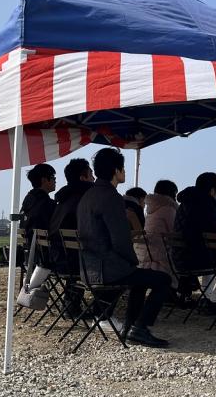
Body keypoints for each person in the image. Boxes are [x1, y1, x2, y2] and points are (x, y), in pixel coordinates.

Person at [77, 148, 171, 347]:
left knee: (139, 278)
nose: (124, 173)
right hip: (108, 269)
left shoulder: (88, 195)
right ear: (116, 170)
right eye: (123, 168)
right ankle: (140, 328)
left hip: (89, 268)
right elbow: (120, 240)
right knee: (163, 279)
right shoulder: (111, 197)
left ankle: (132, 327)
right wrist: (132, 261)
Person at [174, 172, 216, 317]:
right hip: (197, 260)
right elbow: (213, 235)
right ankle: (211, 300)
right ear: (213, 190)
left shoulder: (184, 203)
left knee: (211, 256)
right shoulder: (207, 204)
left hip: (180, 258)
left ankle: (208, 298)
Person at [47, 158, 94, 318]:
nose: (94, 178)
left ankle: (70, 306)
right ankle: (100, 311)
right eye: (91, 174)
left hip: (56, 258)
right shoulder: (85, 199)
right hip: (72, 263)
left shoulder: (63, 199)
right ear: (83, 178)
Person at [19, 163, 57, 290]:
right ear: (44, 180)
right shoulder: (47, 204)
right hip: (47, 259)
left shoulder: (27, 201)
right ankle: (73, 303)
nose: (55, 180)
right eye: (53, 177)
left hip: (29, 256)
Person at [139, 180, 179, 292]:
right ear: (171, 193)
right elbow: (174, 233)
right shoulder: (169, 209)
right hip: (162, 255)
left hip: (147, 255)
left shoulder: (151, 210)